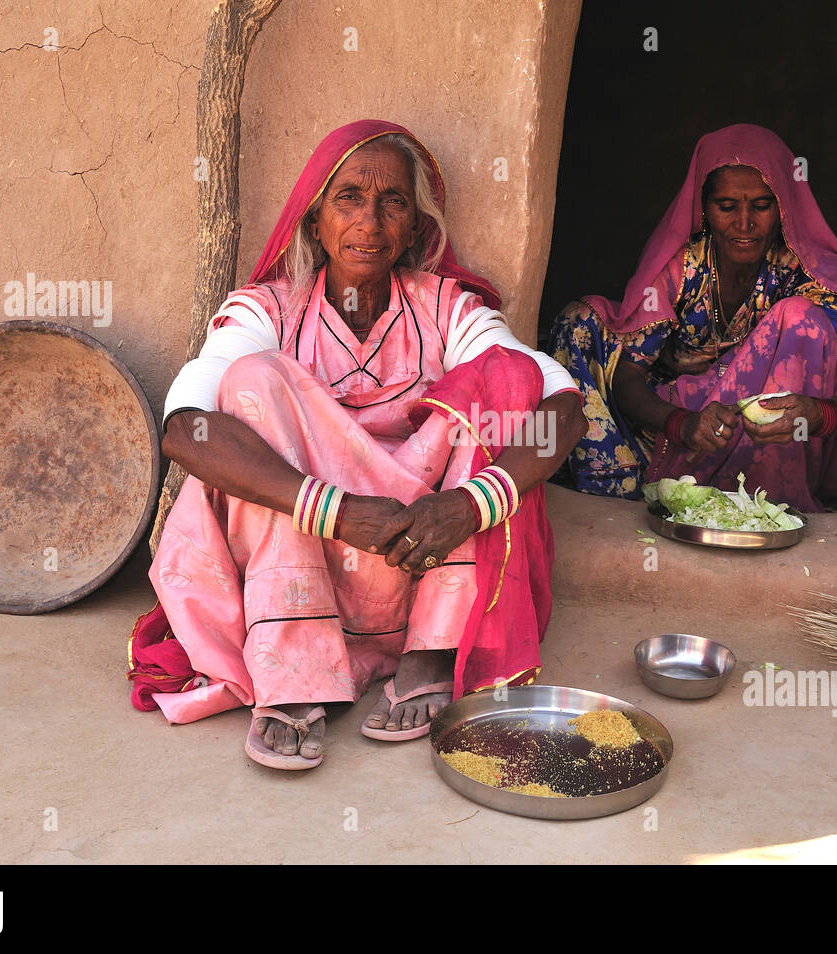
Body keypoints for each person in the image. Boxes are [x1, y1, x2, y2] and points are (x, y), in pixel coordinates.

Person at [127, 120, 586, 770]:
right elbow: (186, 429)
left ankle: (431, 650)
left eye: (392, 201)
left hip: (420, 546)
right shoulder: (269, 311)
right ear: (316, 221)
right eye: (349, 198)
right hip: (308, 548)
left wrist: (468, 506)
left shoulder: (447, 309)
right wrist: (338, 511)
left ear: (415, 230)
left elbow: (562, 407)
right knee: (250, 382)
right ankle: (294, 672)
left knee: (502, 379)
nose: (369, 221)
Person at [547, 124, 837, 511]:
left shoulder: (804, 271)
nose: (744, 223)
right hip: (678, 430)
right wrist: (682, 424)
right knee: (578, 319)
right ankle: (620, 483)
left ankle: (765, 493)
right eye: (727, 207)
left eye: (762, 206)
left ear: (783, 207)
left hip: (767, 443)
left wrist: (824, 414)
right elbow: (628, 376)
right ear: (704, 208)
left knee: (802, 318)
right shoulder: (684, 267)